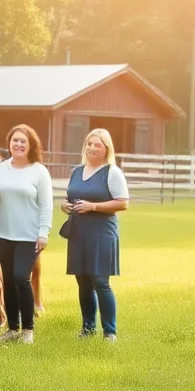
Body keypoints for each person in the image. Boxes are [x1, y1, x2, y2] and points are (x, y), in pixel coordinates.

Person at [63, 128, 129, 341]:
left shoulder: (112, 172)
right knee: (82, 281)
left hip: (102, 233)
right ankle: (88, 328)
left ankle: (110, 332)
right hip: (78, 233)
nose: (92, 148)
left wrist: (92, 207)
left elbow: (122, 202)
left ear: (106, 148)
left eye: (97, 145)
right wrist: (66, 206)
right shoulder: (76, 171)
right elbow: (71, 197)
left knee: (100, 281)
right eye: (89, 144)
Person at [0, 125, 53, 344]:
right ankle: (12, 328)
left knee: (21, 277)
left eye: (23, 141)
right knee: (7, 280)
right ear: (9, 143)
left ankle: (28, 329)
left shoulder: (39, 171)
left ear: (30, 145)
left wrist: (43, 233)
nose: (18, 145)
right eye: (15, 140)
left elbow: (46, 205)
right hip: (3, 234)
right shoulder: (0, 168)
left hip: (29, 236)